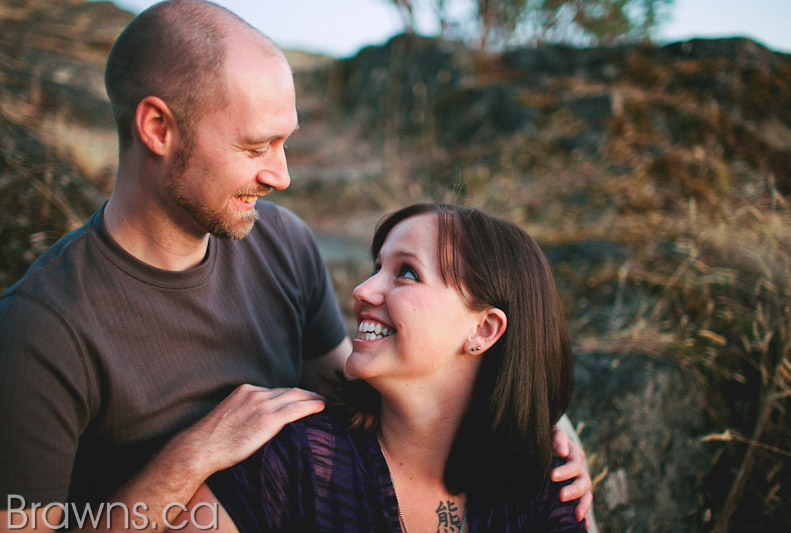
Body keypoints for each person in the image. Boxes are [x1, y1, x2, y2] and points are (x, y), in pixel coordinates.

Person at [0, 1, 591, 531]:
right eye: (255, 149)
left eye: (285, 144)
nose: (280, 176)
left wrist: (529, 425)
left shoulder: (281, 241)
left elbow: (363, 393)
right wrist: (191, 458)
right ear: (158, 128)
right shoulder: (42, 330)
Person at [182, 203, 587, 532]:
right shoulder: (294, 459)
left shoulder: (540, 485)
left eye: (406, 273)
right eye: (377, 267)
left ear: (483, 328)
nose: (362, 291)